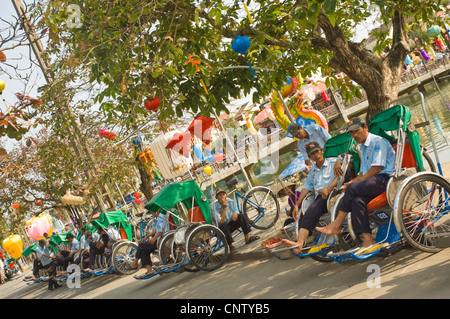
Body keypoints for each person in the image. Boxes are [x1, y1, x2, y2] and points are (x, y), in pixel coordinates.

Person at [317, 117, 396, 251]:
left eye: (357, 131)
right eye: (352, 133)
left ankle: (336, 225)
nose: (354, 135)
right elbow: (362, 173)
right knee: (357, 200)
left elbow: (377, 168)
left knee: (353, 189)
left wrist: (356, 184)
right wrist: (351, 183)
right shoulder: (363, 147)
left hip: (385, 179)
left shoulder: (378, 142)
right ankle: (368, 239)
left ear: (365, 128)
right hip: (372, 181)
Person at [281, 142, 345, 254]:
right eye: (312, 154)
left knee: (313, 207)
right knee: (306, 212)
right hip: (320, 198)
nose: (316, 155)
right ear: (309, 157)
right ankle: (300, 243)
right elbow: (306, 188)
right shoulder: (312, 171)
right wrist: (296, 205)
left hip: (334, 194)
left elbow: (341, 174)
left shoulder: (333, 162)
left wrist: (328, 188)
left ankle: (300, 243)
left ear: (321, 151)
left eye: (317, 151)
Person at [211, 188, 259, 253]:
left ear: (226, 196)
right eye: (219, 195)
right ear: (216, 197)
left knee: (241, 216)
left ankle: (247, 238)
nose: (222, 196)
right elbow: (220, 222)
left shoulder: (230, 201)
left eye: (223, 194)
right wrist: (224, 208)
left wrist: (236, 214)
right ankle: (231, 246)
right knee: (222, 225)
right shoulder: (213, 207)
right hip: (222, 230)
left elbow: (236, 211)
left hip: (231, 224)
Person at [130, 209, 170, 278]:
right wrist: (148, 236)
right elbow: (156, 230)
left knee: (141, 246)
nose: (152, 214)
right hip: (158, 239)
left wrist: (154, 238)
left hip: (161, 240)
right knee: (143, 249)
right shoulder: (157, 218)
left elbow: (160, 231)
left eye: (152, 212)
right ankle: (149, 270)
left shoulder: (161, 216)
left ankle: (135, 262)